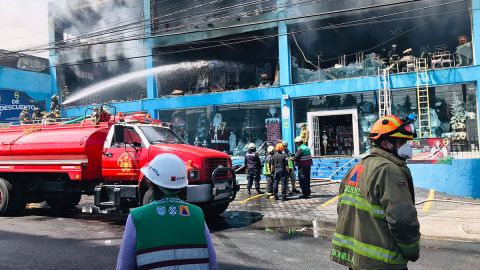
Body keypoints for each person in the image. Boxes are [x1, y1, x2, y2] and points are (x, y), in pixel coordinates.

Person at [331, 115, 420, 270]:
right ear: (386, 143)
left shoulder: (357, 168)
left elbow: (341, 209)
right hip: (382, 263)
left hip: (357, 261)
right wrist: (412, 250)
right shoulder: (389, 170)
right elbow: (402, 220)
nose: (406, 146)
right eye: (401, 142)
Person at [116, 153, 217, 270]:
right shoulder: (197, 214)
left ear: (151, 183)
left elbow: (124, 266)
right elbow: (212, 263)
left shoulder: (137, 217)